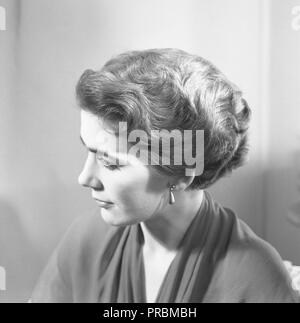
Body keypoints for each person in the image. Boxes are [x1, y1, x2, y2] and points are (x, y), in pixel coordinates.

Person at [31, 49, 299, 303]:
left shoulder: (253, 275)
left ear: (181, 174)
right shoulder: (85, 240)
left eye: (111, 164)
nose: (85, 177)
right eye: (89, 151)